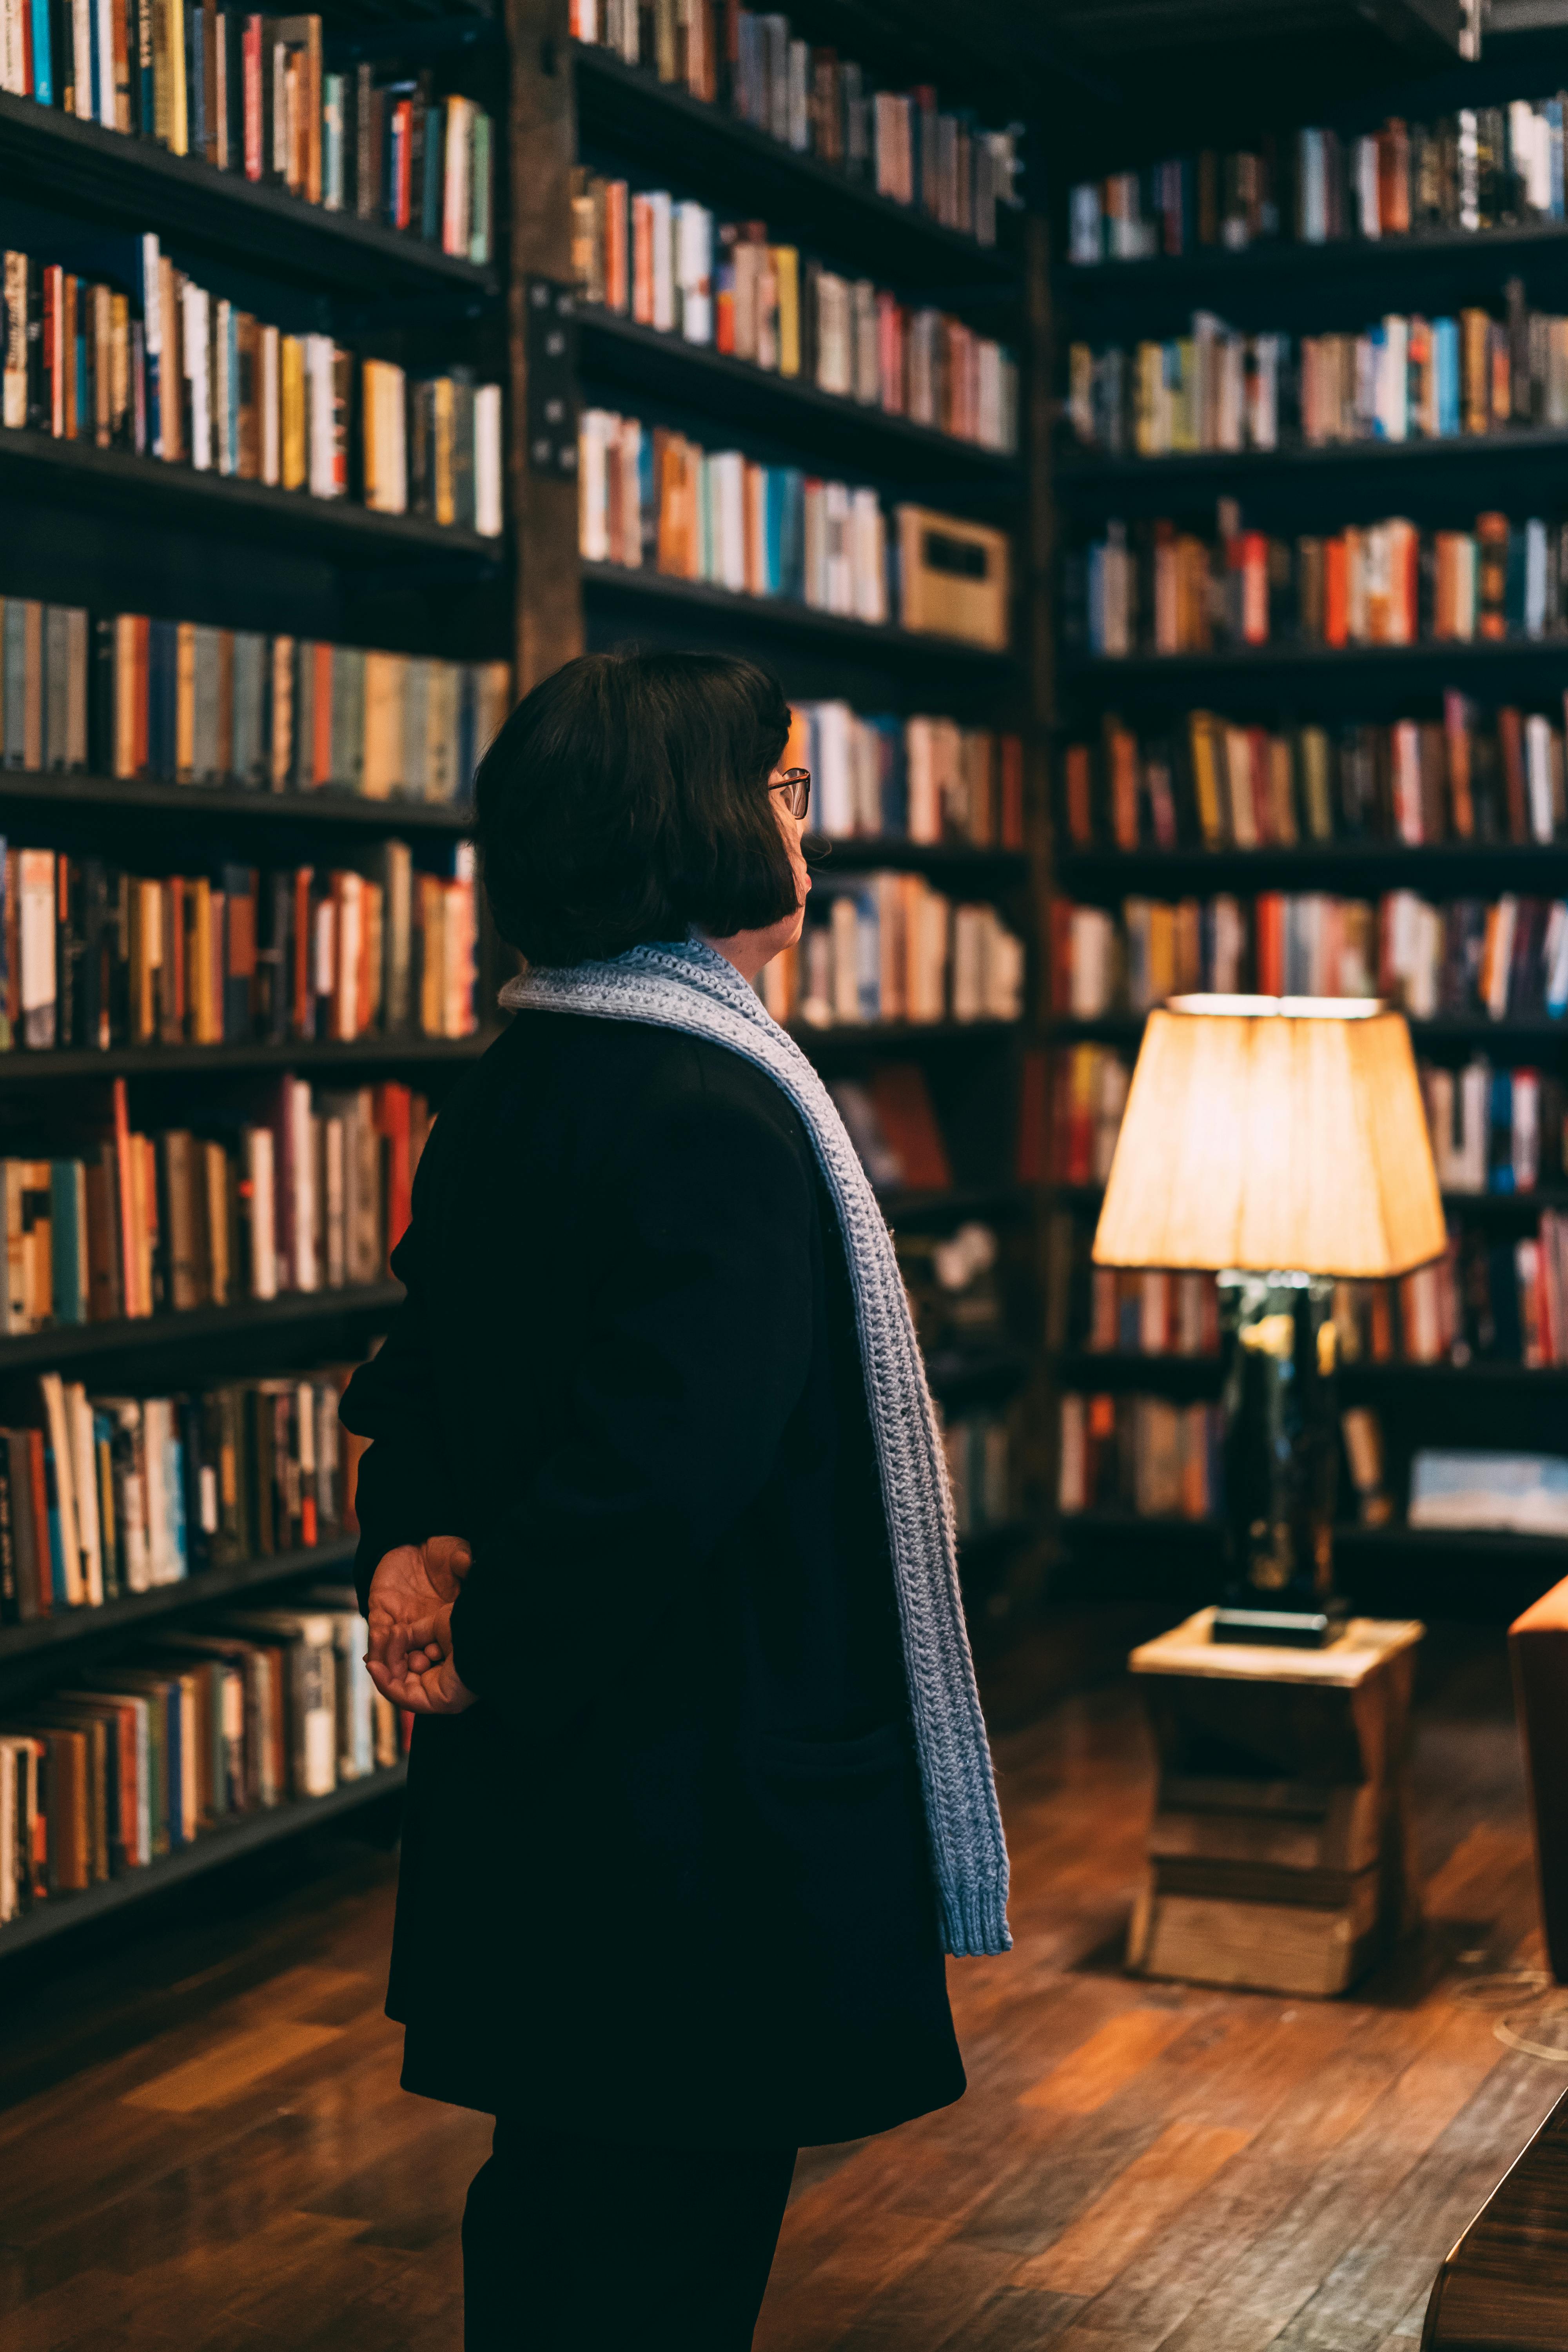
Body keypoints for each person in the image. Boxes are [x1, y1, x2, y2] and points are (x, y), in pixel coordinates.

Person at [340, 648, 1010, 2352]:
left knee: (561, 2196)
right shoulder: (717, 1104)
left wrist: (410, 1552)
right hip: (689, 1800)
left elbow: (420, 1369)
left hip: (560, 1787)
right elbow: (659, 1477)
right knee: (667, 2239)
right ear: (692, 820)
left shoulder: (522, 1071)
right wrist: (492, 1633)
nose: (810, 835)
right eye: (786, 793)